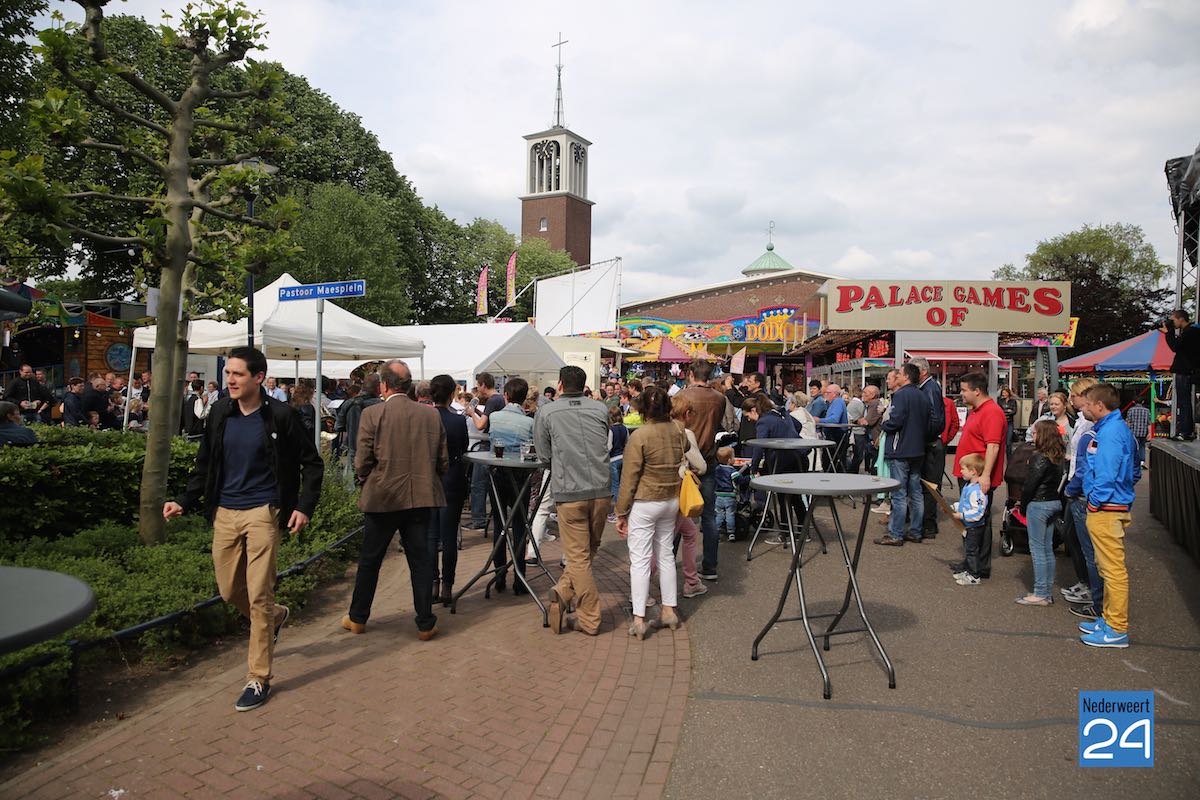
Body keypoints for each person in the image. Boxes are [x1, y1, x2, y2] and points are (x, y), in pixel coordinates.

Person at [164, 346, 324, 712]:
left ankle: (258, 677)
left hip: (263, 512)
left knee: (258, 595)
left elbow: (312, 463)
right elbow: (205, 463)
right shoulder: (221, 412)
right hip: (224, 512)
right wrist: (184, 500)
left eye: (238, 374)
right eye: (228, 373)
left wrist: (303, 506)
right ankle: (276, 616)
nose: (230, 380)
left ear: (258, 378)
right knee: (228, 591)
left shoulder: (281, 416)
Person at [345, 359, 447, 641]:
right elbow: (443, 461)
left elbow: (362, 460)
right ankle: (425, 622)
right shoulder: (430, 415)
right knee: (421, 562)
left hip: (382, 497)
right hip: (420, 498)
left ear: (384, 385)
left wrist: (365, 480)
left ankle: (358, 617)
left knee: (370, 560)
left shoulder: (373, 414)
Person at [536, 365, 612, 636]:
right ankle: (562, 592)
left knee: (579, 558)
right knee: (588, 550)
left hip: (570, 491)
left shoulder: (547, 412)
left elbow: (544, 456)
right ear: (584, 385)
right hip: (601, 489)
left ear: (560, 385)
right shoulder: (600, 409)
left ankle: (589, 619)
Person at [614, 385, 686, 639]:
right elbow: (686, 448)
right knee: (666, 555)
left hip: (645, 501)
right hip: (671, 498)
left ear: (644, 409)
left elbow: (629, 478)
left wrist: (621, 512)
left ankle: (639, 618)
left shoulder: (640, 436)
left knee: (641, 560)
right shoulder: (678, 429)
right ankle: (669, 610)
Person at [1077, 383, 1140, 648]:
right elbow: (1132, 470)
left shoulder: (1111, 432)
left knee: (1112, 570)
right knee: (1106, 567)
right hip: (1109, 505)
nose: (1084, 408)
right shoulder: (1113, 428)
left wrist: (1095, 501)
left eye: (1087, 404)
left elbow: (1107, 472)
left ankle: (1116, 629)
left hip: (1107, 508)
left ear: (1099, 405)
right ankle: (1109, 620)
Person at [676, 359, 729, 583]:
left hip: (685, 460)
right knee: (709, 515)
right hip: (708, 458)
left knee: (679, 514)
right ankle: (710, 565)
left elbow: (676, 426)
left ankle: (668, 560)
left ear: (691, 374)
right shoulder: (719, 398)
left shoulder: (682, 396)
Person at [951, 372, 1007, 580]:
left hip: (978, 477)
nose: (961, 393)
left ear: (977, 391)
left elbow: (993, 446)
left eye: (964, 390)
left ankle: (979, 566)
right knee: (971, 520)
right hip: (970, 475)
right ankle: (971, 562)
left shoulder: (992, 412)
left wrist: (986, 476)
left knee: (978, 521)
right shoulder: (977, 410)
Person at [487, 377, 536, 593]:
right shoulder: (529, 422)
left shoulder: (495, 417)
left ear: (505, 395)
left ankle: (499, 575)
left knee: (499, 524)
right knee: (519, 525)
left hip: (497, 474)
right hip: (520, 476)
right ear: (524, 398)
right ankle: (519, 577)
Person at [875, 363, 930, 546]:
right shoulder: (922, 395)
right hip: (917, 449)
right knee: (916, 492)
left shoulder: (901, 395)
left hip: (900, 448)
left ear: (906, 377)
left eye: (899, 374)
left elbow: (895, 420)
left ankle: (896, 533)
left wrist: (884, 425)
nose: (896, 376)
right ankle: (915, 531)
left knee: (899, 493)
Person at [1063, 380, 1103, 620]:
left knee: (1088, 549)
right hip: (1077, 487)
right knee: (1072, 538)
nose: (1071, 400)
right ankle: (1086, 584)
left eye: (1074, 396)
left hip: (1082, 492)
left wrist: (1073, 488)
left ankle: (1094, 595)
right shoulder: (1082, 421)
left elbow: (1087, 464)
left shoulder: (1092, 426)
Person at [1016, 420, 1067, 607]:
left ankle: (1040, 592)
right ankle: (1046, 591)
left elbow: (1030, 484)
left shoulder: (1039, 457)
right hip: (1053, 502)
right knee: (1047, 549)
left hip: (1038, 504)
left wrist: (1023, 506)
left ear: (1043, 435)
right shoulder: (1058, 456)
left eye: (1036, 432)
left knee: (1037, 550)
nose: (1033, 435)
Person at [428, 374, 468, 606]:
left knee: (431, 536)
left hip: (429, 480)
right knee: (449, 536)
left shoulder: (424, 418)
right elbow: (463, 447)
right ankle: (447, 586)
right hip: (452, 479)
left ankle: (433, 582)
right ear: (452, 393)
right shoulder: (457, 421)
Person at [907, 357, 946, 540]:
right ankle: (925, 522)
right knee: (925, 485)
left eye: (914, 370)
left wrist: (920, 435)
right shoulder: (925, 388)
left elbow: (936, 420)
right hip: (928, 443)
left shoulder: (930, 388)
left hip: (930, 445)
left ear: (923, 372)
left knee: (929, 486)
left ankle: (928, 525)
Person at [465, 372, 505, 531]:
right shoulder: (499, 399)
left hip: (487, 446)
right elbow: (489, 420)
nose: (477, 389)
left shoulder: (492, 400)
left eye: (478, 385)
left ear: (483, 385)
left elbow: (481, 425)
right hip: (496, 445)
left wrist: (471, 413)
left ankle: (478, 519)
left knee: (478, 484)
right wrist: (477, 412)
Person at [1160, 309, 1200, 440]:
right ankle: (1185, 430)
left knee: (1184, 402)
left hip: (1184, 370)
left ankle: (1185, 431)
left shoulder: (1190, 332)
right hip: (1186, 369)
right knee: (1184, 402)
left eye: (1173, 320)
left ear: (1181, 319)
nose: (1173, 323)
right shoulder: (1190, 332)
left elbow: (1175, 346)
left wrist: (1169, 333)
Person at [950, 454, 988, 585]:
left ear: (973, 471)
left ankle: (974, 576)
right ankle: (968, 570)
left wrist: (961, 516)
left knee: (972, 551)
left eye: (963, 469)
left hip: (974, 526)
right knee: (968, 549)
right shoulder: (968, 486)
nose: (961, 471)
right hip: (968, 525)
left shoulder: (976, 491)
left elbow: (978, 512)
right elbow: (964, 504)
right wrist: (953, 508)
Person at [816, 382, 849, 471]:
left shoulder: (838, 402)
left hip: (836, 436)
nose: (825, 394)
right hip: (834, 435)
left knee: (832, 462)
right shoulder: (833, 403)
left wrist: (819, 420)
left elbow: (834, 419)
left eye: (828, 392)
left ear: (834, 394)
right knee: (829, 461)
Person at [608, 405, 629, 523]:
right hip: (623, 458)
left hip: (613, 460)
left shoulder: (611, 430)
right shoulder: (624, 428)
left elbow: (609, 447)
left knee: (615, 487)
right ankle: (625, 508)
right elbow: (627, 442)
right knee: (622, 485)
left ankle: (618, 512)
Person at [714, 446, 738, 542]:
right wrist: (751, 477)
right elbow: (739, 480)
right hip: (729, 496)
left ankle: (716, 532)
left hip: (718, 496)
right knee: (730, 514)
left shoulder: (716, 469)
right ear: (729, 460)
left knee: (719, 514)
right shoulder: (732, 471)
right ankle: (731, 532)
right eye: (733, 457)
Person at [1125, 396, 1151, 469]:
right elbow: (1149, 423)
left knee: (1134, 447)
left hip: (1133, 433)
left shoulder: (1131, 410)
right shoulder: (1147, 411)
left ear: (1134, 402)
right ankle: (1141, 462)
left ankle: (1134, 462)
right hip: (1143, 432)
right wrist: (1149, 433)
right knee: (1142, 446)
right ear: (1143, 402)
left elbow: (1128, 422)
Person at [846, 389, 867, 474]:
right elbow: (865, 416)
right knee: (858, 455)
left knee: (852, 453)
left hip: (851, 431)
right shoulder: (859, 404)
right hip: (859, 431)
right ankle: (853, 471)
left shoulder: (850, 403)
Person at [997, 386, 1018, 451]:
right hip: (1002, 422)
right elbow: (999, 411)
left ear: (1008, 393)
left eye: (1005, 392)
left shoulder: (1013, 401)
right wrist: (1007, 410)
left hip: (1009, 422)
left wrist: (1005, 411)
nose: (1004, 394)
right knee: (1001, 440)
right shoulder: (1000, 401)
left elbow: (1014, 411)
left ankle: (1009, 456)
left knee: (1008, 441)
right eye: (1003, 393)